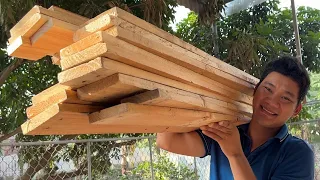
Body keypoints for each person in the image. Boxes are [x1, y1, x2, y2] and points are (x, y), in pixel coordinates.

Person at [156, 56, 314, 180]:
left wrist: (235, 154)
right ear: (256, 90)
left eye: (285, 98)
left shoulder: (297, 152)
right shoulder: (227, 131)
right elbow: (167, 141)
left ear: (296, 110)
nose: (272, 102)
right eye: (267, 89)